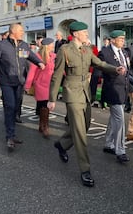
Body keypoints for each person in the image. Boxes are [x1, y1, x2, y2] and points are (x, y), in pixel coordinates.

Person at [47, 21, 125, 187]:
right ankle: (85, 170)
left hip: (85, 92)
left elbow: (99, 63)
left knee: (86, 125)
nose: (87, 35)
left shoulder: (86, 49)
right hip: (72, 92)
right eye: (84, 32)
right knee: (81, 134)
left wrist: (115, 68)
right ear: (75, 34)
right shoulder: (64, 50)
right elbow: (57, 75)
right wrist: (52, 98)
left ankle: (62, 144)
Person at [0, 23, 45, 150]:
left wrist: (39, 62)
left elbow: (30, 55)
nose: (23, 32)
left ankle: (12, 133)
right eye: (21, 30)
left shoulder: (23, 45)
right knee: (10, 106)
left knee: (16, 107)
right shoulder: (1, 46)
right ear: (13, 31)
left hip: (19, 81)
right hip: (6, 81)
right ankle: (10, 136)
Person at [98, 30, 130, 163]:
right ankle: (120, 150)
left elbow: (128, 71)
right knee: (120, 120)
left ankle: (108, 143)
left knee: (114, 119)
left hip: (123, 90)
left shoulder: (125, 52)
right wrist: (94, 91)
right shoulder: (104, 53)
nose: (122, 41)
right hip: (112, 90)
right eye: (120, 39)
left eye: (123, 39)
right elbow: (99, 71)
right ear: (112, 40)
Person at [25, 38, 56, 137]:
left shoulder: (53, 56)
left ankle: (42, 125)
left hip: (50, 84)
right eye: (51, 44)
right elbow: (32, 71)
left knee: (45, 105)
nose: (53, 46)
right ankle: (45, 126)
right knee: (44, 105)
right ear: (47, 46)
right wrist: (28, 85)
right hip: (40, 84)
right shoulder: (38, 56)